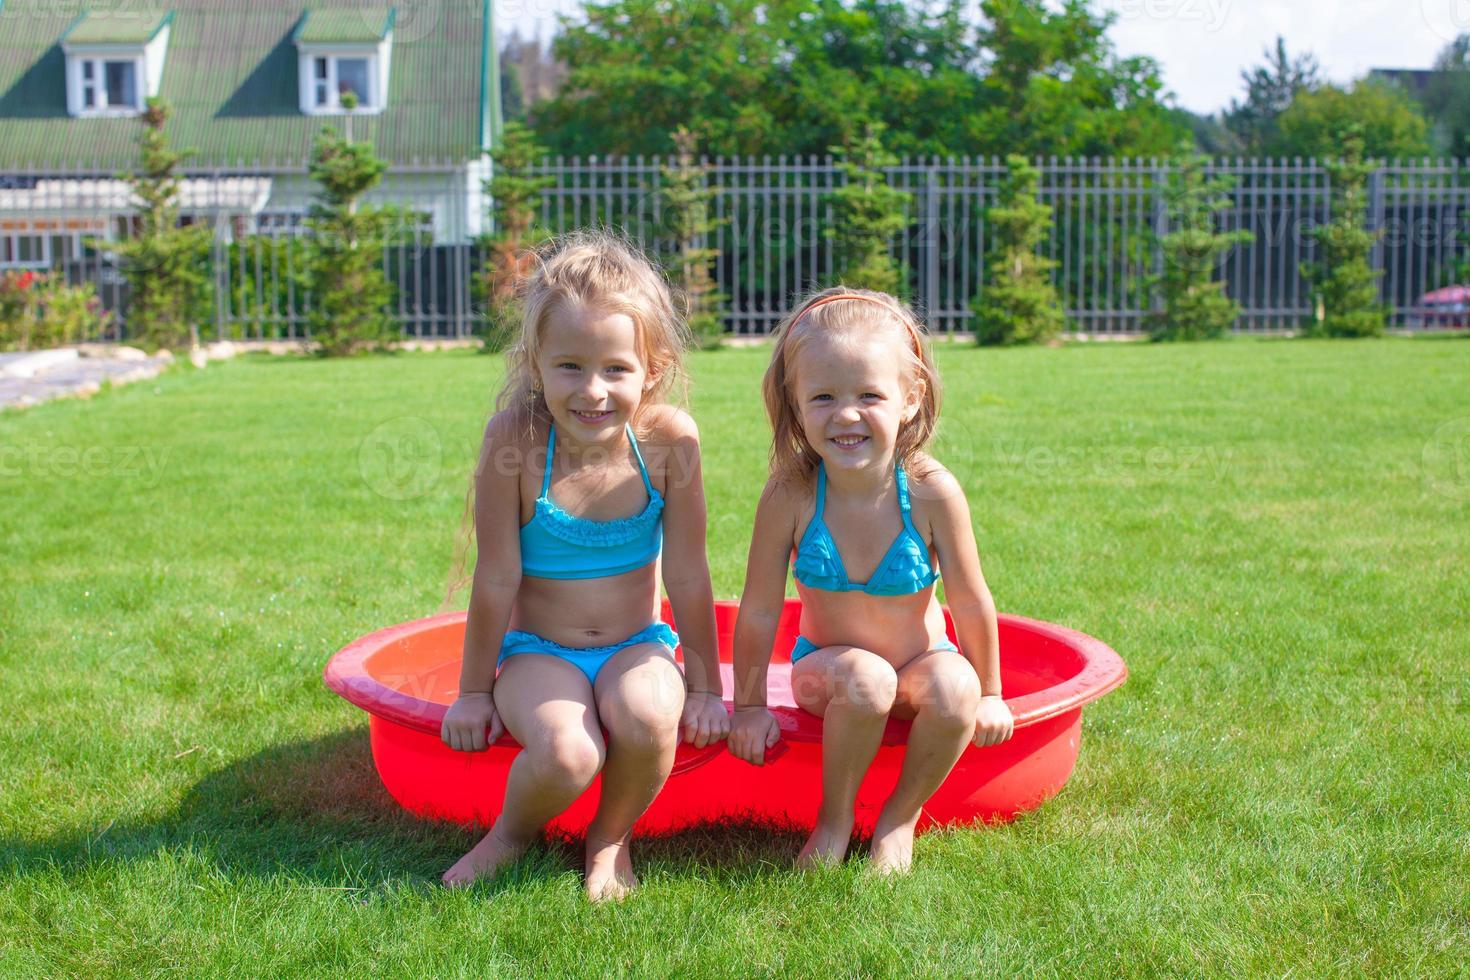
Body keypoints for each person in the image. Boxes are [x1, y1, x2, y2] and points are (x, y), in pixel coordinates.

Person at [439, 231, 729, 900]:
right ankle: (511, 834)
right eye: (569, 366)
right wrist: (475, 691)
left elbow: (687, 574)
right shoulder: (513, 438)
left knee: (651, 717)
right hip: (541, 652)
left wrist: (709, 688)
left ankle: (610, 839)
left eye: (615, 369)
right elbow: (496, 578)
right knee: (571, 753)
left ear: (651, 368)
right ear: (536, 362)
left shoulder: (670, 443)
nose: (592, 390)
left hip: (637, 645)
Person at [728, 287, 1014, 875]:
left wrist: (989, 691)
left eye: (869, 395)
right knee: (865, 677)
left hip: (920, 664)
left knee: (953, 689)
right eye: (824, 396)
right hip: (827, 673)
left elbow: (969, 597)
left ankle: (898, 820)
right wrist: (750, 705)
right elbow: (758, 609)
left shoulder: (931, 491)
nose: (846, 414)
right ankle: (834, 823)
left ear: (910, 399)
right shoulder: (793, 494)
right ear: (796, 402)